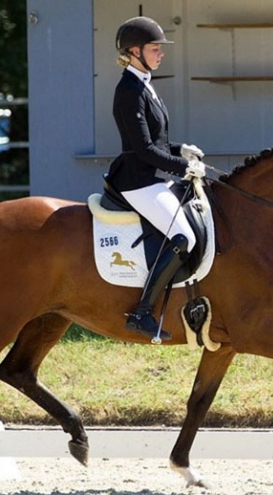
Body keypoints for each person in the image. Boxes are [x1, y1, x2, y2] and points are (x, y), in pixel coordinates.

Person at [105, 16, 207, 341]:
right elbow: (144, 149)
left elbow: (157, 142)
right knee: (183, 238)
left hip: (150, 176)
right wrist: (182, 167)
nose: (161, 53)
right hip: (137, 181)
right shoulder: (128, 90)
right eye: (154, 48)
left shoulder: (145, 84)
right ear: (134, 51)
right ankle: (142, 312)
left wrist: (182, 150)